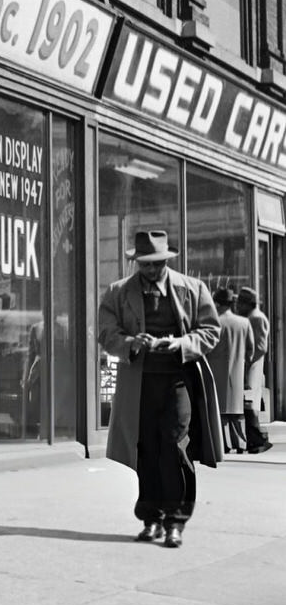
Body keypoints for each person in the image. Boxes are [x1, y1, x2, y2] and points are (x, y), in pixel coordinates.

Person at [99, 229, 222, 548]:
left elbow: (210, 331)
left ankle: (176, 520)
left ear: (167, 259)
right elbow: (106, 333)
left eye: (157, 264)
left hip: (178, 381)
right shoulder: (117, 292)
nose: (152, 270)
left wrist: (180, 344)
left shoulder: (193, 289)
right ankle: (151, 517)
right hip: (138, 385)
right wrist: (130, 343)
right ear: (137, 262)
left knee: (175, 446)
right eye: (145, 265)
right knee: (146, 449)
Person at [209, 287, 252, 453]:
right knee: (237, 410)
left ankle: (224, 443)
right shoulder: (244, 323)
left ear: (218, 304)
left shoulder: (214, 323)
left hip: (216, 371)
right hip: (238, 371)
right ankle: (240, 443)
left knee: (220, 411)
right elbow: (251, 349)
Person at [235, 287, 274, 452]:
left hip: (251, 367)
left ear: (247, 304)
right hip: (251, 367)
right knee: (249, 403)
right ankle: (255, 438)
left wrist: (246, 360)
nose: (237, 307)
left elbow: (259, 346)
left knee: (249, 403)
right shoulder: (253, 317)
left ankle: (256, 439)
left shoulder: (255, 318)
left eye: (240, 303)